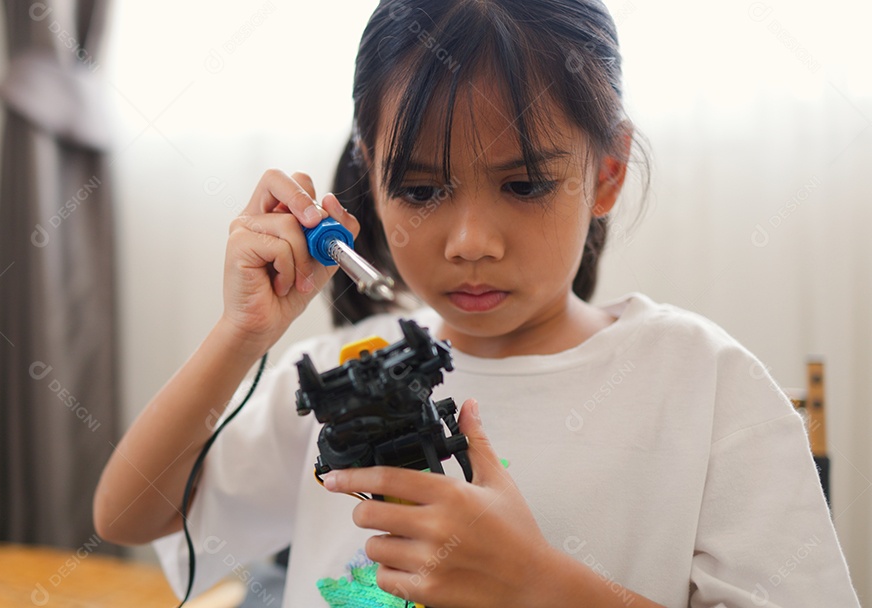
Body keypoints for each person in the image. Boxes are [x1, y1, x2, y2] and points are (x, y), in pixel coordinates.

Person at [93, 1, 860, 606]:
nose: (468, 241)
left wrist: (538, 587)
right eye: (421, 190)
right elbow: (127, 517)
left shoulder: (705, 384)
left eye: (523, 184)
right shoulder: (340, 374)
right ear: (371, 177)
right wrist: (240, 334)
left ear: (608, 172)